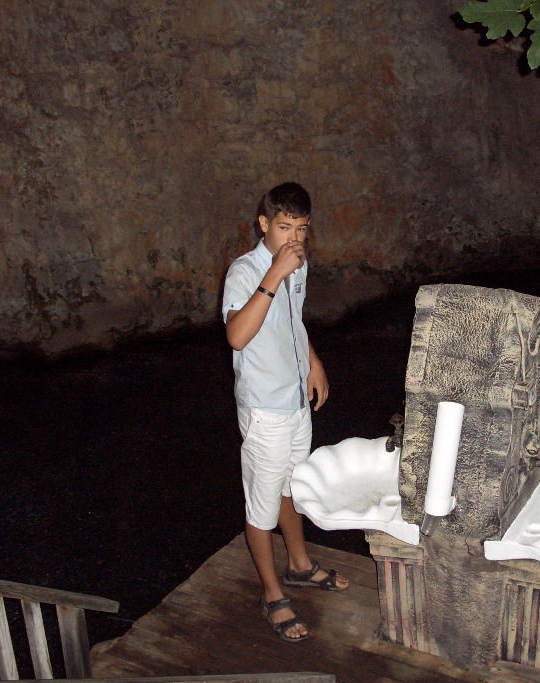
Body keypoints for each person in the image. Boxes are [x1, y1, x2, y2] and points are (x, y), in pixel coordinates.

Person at [221, 181, 349, 642]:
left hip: (295, 401)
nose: (293, 238)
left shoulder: (299, 263)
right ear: (264, 225)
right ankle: (273, 594)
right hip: (265, 411)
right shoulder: (245, 272)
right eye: (283, 227)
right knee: (261, 505)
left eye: (301, 228)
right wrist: (273, 274)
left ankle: (298, 564)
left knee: (291, 488)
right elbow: (237, 336)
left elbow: (293, 321)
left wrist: (314, 363)